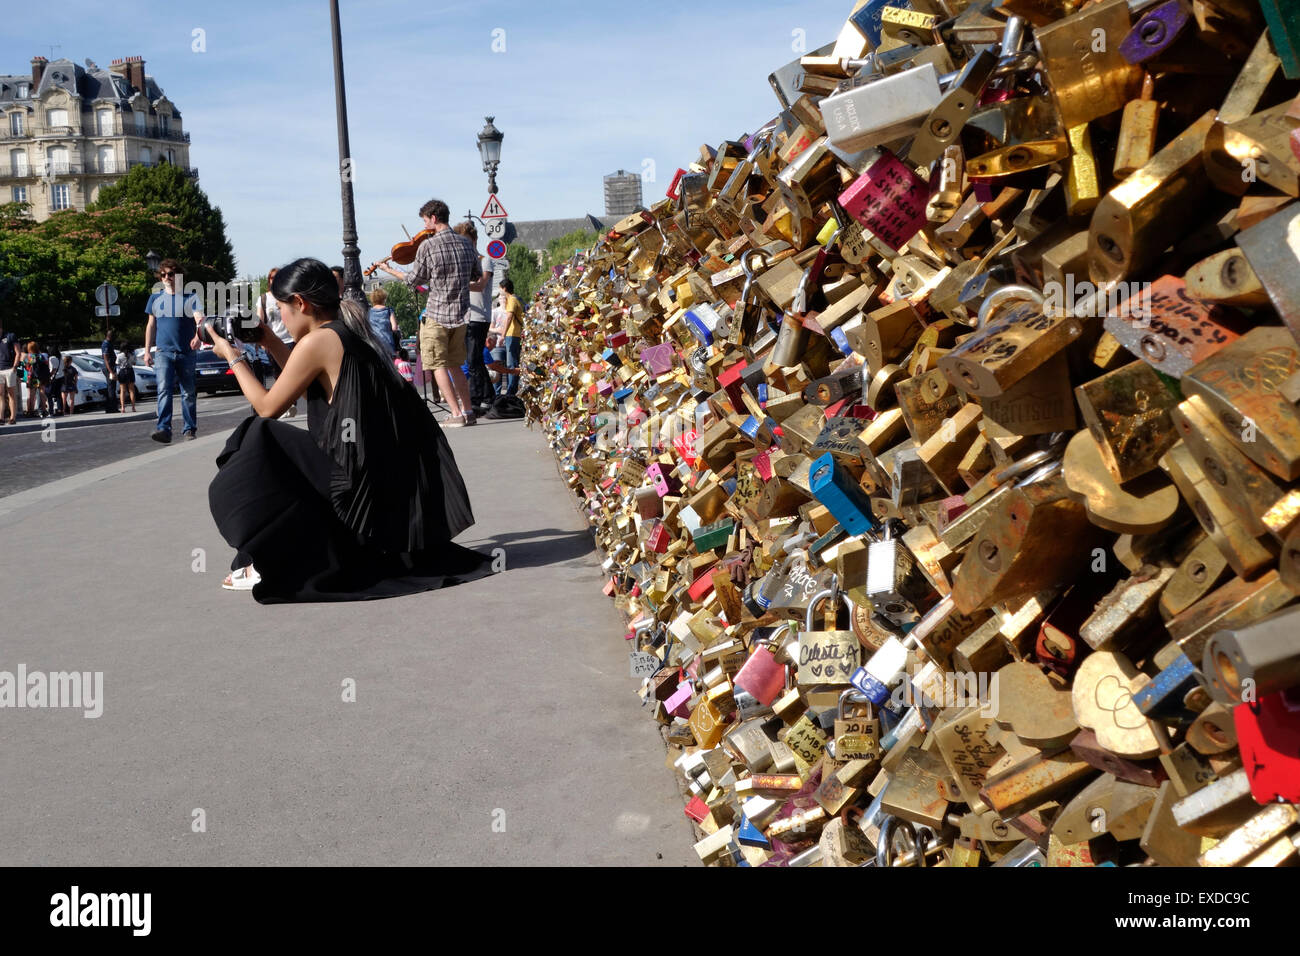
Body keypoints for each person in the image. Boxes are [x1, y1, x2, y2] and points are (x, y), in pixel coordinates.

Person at [206, 258, 495, 602]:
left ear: (300, 303)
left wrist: (232, 357)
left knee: (259, 436)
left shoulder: (318, 342)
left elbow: (268, 407)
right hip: (377, 478)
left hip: (354, 486)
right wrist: (268, 340)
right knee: (280, 445)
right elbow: (301, 379)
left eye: (281, 309)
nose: (279, 318)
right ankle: (273, 553)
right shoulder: (345, 332)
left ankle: (269, 560)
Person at [378, 199, 480, 427]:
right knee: (455, 364)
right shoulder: (466, 244)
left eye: (425, 220)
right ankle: (469, 410)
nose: (425, 226)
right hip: (461, 315)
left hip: (436, 314)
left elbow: (414, 281)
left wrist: (390, 270)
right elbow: (476, 275)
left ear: (433, 218)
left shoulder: (428, 246)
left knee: (437, 365)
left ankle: (456, 414)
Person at [144, 258, 205, 442]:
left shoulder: (190, 297)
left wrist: (198, 336)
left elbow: (200, 319)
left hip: (186, 352)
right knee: (163, 390)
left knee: (188, 392)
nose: (167, 277)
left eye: (170, 274)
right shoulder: (155, 298)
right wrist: (147, 350)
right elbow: (151, 325)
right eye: (163, 275)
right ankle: (163, 429)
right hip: (163, 352)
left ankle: (189, 429)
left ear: (178, 276)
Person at [452, 221, 494, 413]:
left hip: (479, 316)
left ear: (475, 240)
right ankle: (485, 396)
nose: (465, 245)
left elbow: (480, 285)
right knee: (473, 360)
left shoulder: (484, 261)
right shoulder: (463, 264)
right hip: (466, 316)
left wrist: (458, 282)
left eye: (467, 241)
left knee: (474, 359)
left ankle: (480, 398)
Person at [257, 266, 298, 418]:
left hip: (289, 339)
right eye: (272, 278)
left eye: (277, 277)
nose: (274, 280)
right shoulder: (263, 298)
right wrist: (260, 339)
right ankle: (286, 403)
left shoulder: (287, 296)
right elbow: (260, 319)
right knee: (277, 374)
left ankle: (291, 403)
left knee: (291, 372)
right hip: (272, 340)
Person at [498, 279, 525, 397]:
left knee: (512, 364)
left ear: (504, 288)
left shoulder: (512, 300)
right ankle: (511, 390)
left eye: (500, 288)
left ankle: (511, 392)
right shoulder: (513, 299)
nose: (500, 291)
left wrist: (503, 335)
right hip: (513, 335)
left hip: (512, 334)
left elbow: (509, 318)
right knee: (511, 363)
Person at [367, 287, 398, 356]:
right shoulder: (389, 311)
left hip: (374, 344)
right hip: (387, 343)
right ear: (384, 298)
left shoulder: (368, 312)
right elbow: (394, 327)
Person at [0, 319, 19, 424]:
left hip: (9, 368)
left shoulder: (10, 336)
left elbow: (18, 352)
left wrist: (14, 367)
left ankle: (13, 417)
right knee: (0, 394)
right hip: (0, 369)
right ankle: (1, 417)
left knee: (11, 394)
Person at [100, 328, 118, 413]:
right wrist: (111, 372)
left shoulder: (109, 344)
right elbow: (106, 359)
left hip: (111, 368)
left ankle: (112, 407)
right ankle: (111, 408)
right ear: (110, 336)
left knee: (112, 388)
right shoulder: (106, 344)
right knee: (111, 388)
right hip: (109, 369)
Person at [116, 344, 137, 412]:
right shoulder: (132, 354)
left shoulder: (119, 355)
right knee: (131, 390)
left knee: (123, 390)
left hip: (122, 371)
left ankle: (123, 408)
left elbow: (117, 363)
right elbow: (134, 363)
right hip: (130, 371)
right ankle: (133, 407)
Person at [48, 351, 64, 416]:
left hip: (54, 378)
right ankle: (60, 410)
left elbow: (53, 369)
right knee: (58, 395)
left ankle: (51, 411)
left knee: (49, 395)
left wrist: (49, 376)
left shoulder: (52, 358)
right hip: (61, 377)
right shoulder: (60, 358)